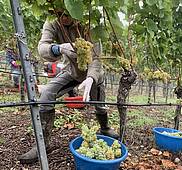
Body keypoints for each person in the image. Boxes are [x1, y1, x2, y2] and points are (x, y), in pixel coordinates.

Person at [18, 10, 119, 164]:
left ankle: (105, 127)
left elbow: (97, 58)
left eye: (67, 14)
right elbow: (42, 47)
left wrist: (91, 78)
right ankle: (43, 144)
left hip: (93, 73)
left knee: (100, 103)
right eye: (60, 15)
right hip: (72, 71)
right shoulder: (52, 21)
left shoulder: (89, 21)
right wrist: (57, 48)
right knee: (46, 95)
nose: (64, 18)